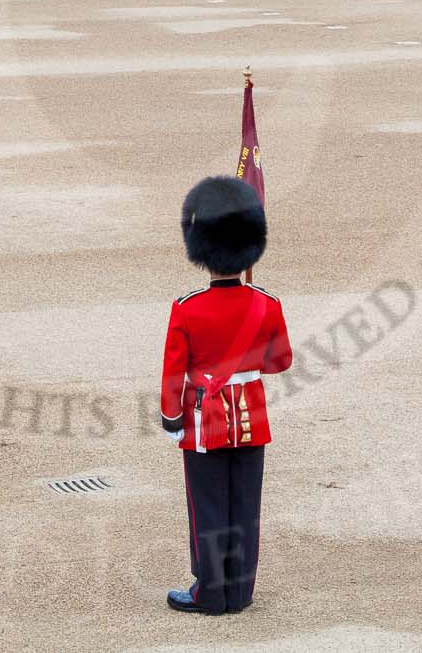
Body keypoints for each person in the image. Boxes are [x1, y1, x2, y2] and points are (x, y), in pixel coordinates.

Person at [160, 176, 291, 616]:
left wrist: (170, 415)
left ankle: (210, 593)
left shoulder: (188, 307)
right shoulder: (266, 303)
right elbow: (280, 363)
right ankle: (241, 592)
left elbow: (174, 370)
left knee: (209, 505)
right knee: (245, 505)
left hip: (205, 420)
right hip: (251, 416)